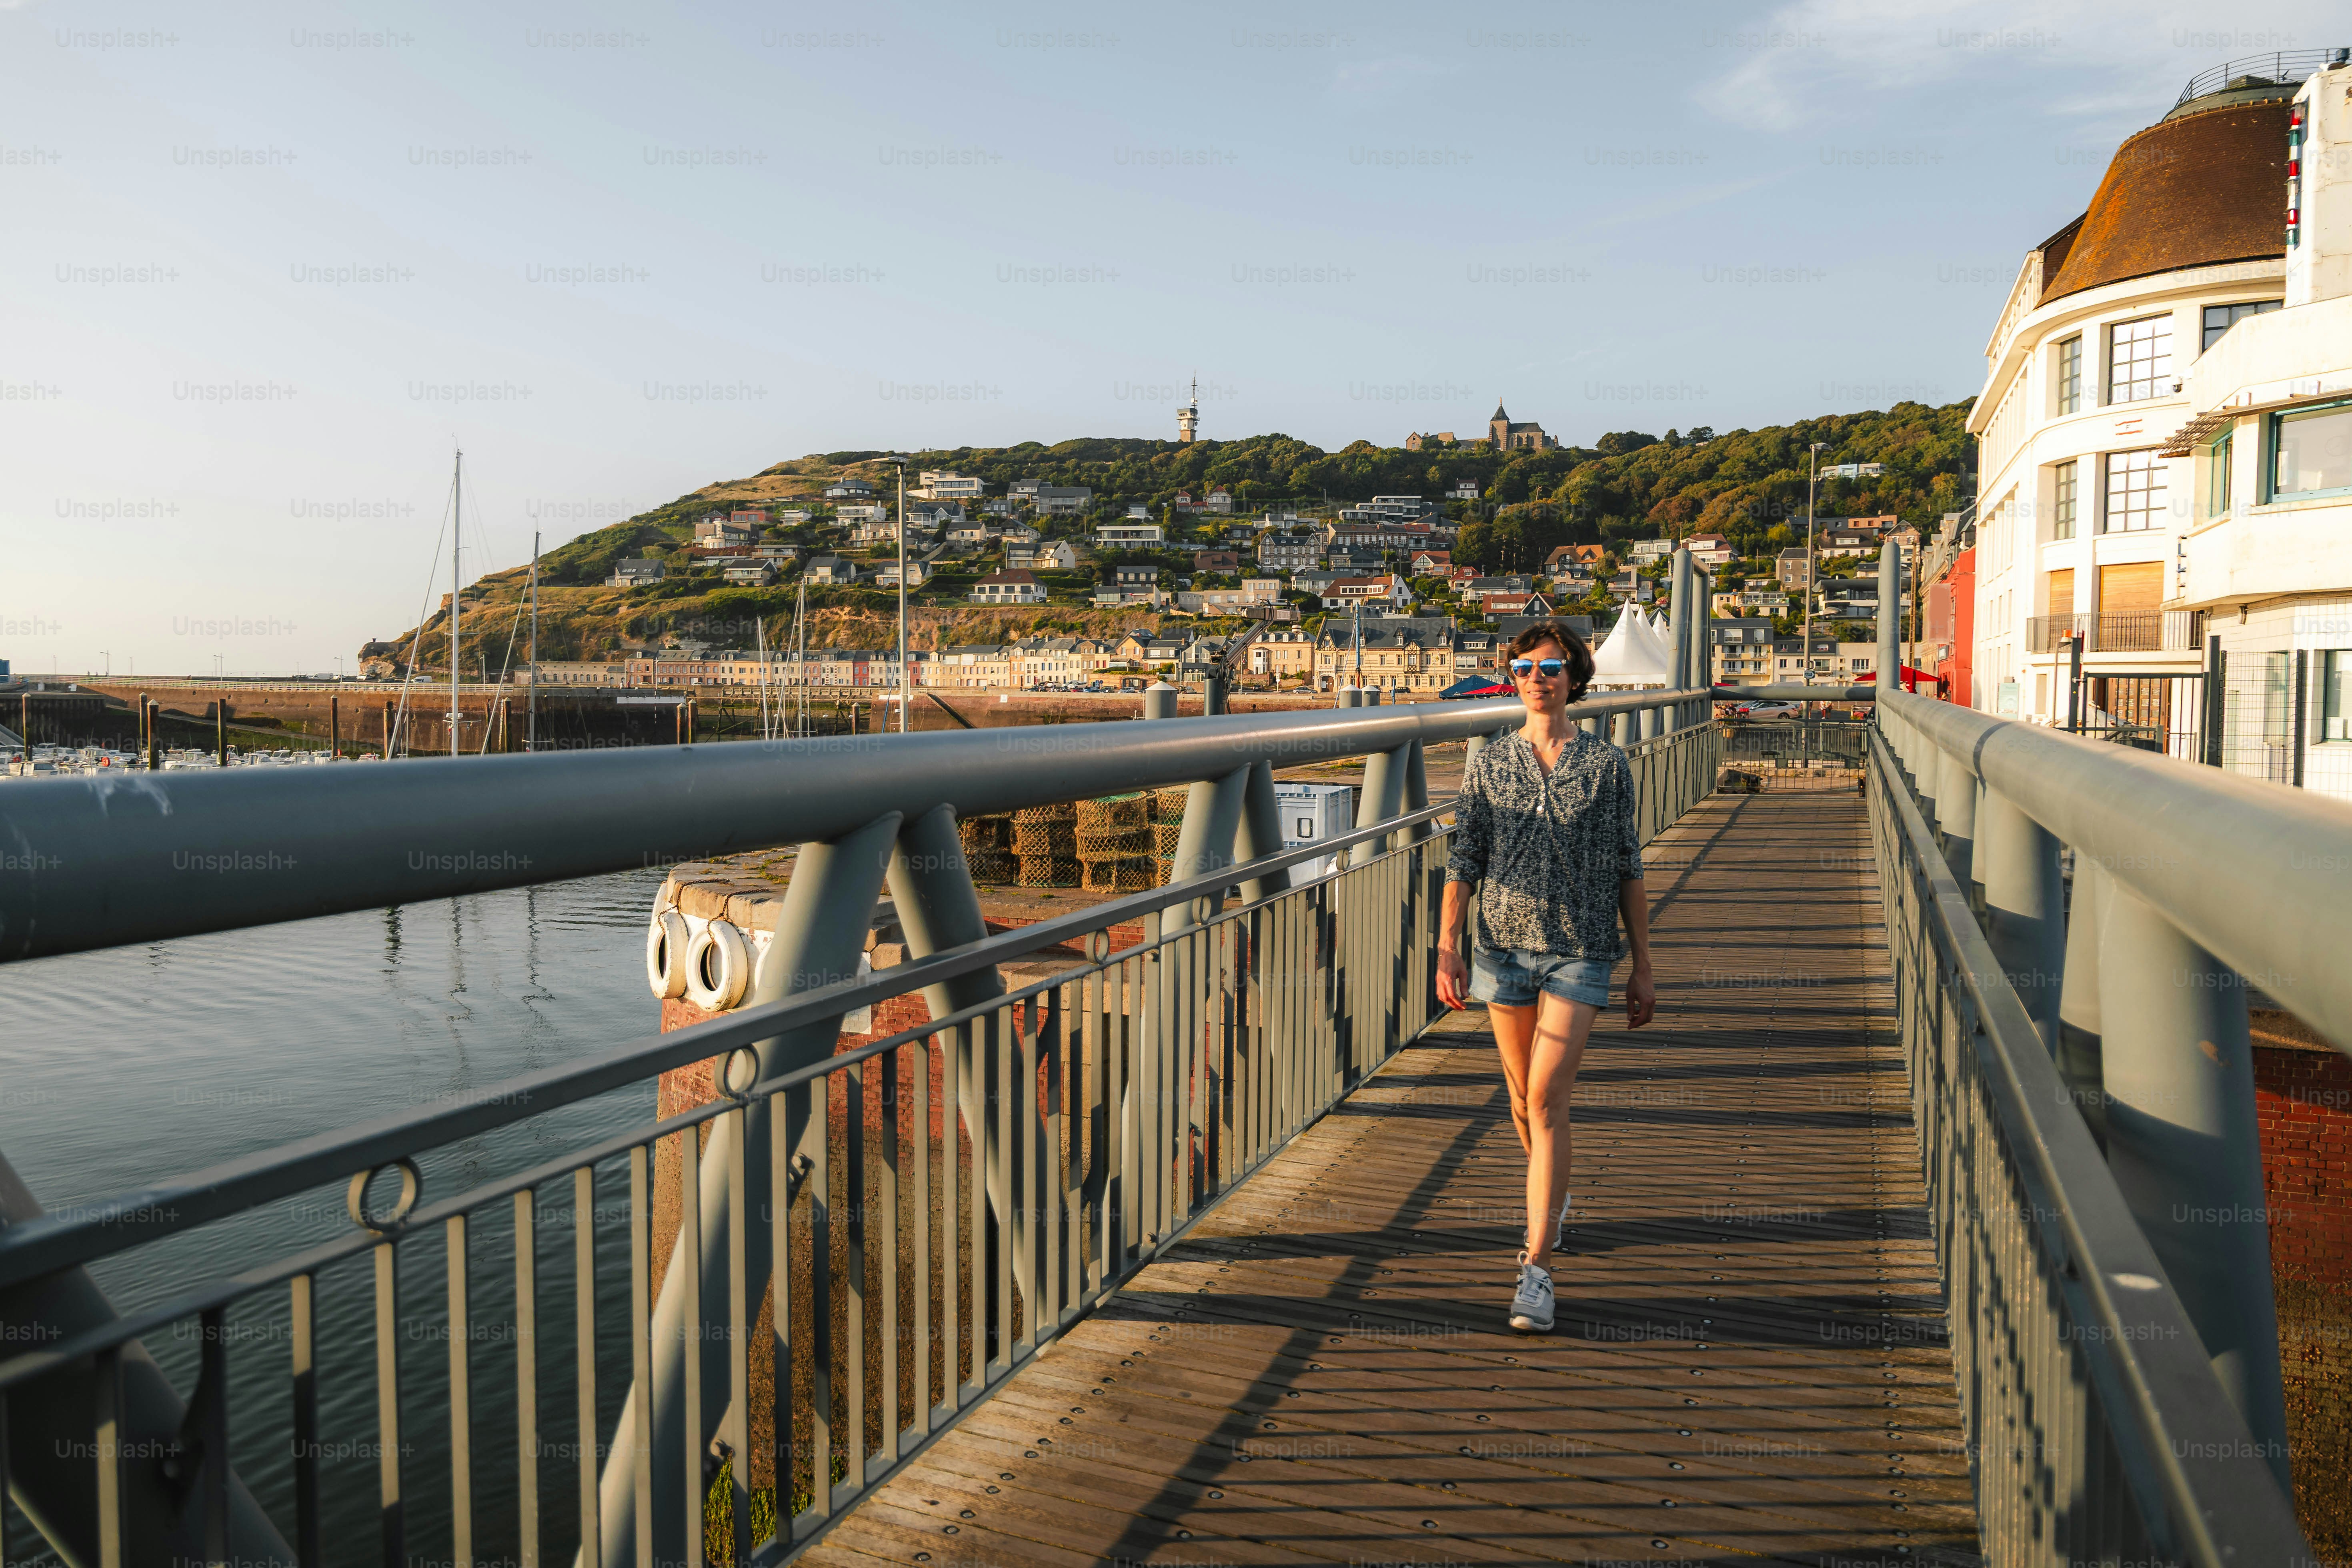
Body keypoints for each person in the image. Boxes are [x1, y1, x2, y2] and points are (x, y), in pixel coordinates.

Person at [1436, 620, 1655, 1332]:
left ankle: (1536, 1268)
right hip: (1501, 949)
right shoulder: (1487, 763)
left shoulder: (1606, 766)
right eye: (1525, 666)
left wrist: (1644, 964)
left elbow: (1629, 866)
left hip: (1582, 949)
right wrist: (1448, 946)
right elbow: (1464, 859)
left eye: (1552, 667)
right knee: (1523, 1105)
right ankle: (1550, 1208)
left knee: (1547, 1096)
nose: (1538, 677)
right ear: (1513, 676)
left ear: (1575, 679)